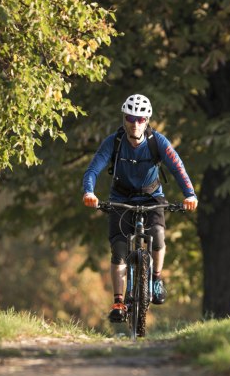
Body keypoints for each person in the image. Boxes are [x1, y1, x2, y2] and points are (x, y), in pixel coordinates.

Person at [82, 94, 198, 323]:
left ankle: (155, 278)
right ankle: (118, 301)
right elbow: (92, 170)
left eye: (140, 119)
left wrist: (190, 195)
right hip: (120, 198)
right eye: (130, 118)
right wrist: (89, 192)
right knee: (119, 248)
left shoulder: (158, 142)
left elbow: (178, 168)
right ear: (124, 118)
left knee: (157, 233)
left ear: (147, 120)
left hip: (152, 197)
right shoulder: (113, 142)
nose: (135, 124)